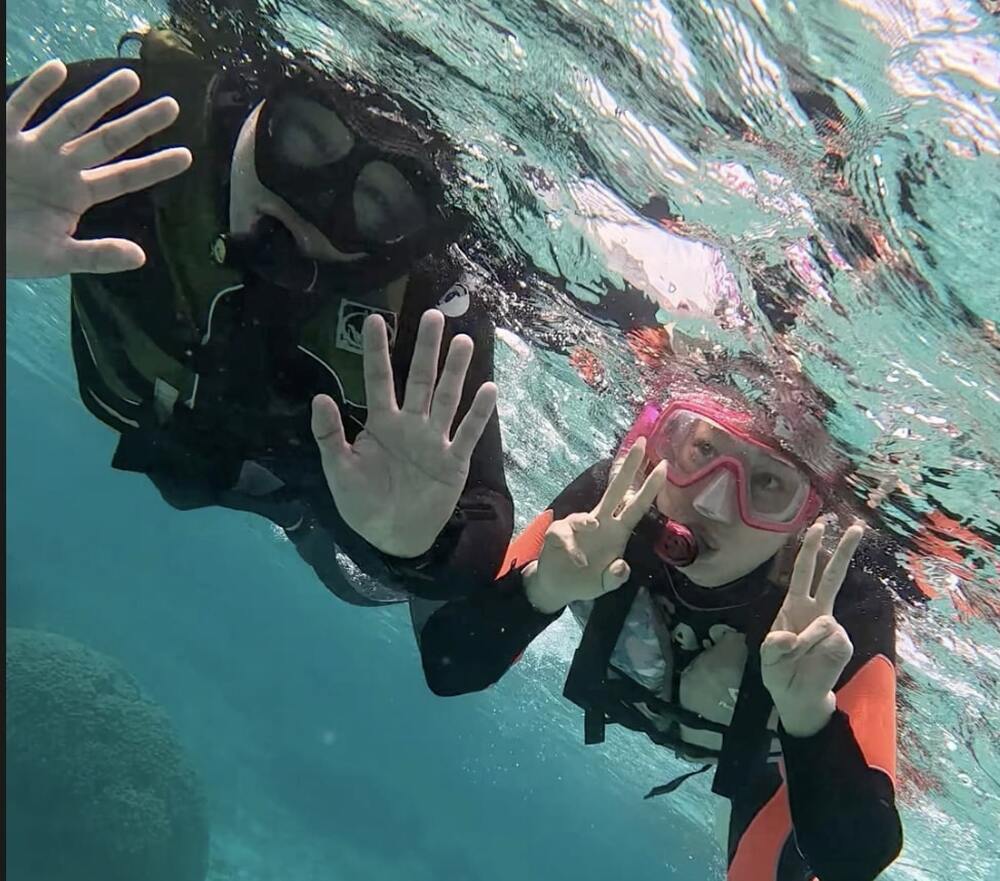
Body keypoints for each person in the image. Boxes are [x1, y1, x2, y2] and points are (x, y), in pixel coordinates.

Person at [5, 11, 513, 608]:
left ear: (401, 242)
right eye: (304, 139)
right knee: (182, 484)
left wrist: (413, 545)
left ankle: (298, 522)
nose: (311, 205)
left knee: (327, 548)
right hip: (164, 427)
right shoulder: (134, 129)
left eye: (377, 204)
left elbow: (482, 521)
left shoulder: (429, 306)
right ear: (261, 99)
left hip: (309, 473)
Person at [417, 355, 903, 881]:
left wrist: (809, 716)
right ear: (660, 445)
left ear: (804, 521)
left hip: (778, 769)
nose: (713, 504)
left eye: (767, 483)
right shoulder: (604, 511)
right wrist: (541, 590)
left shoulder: (838, 606)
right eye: (704, 451)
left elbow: (855, 860)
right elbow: (448, 668)